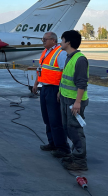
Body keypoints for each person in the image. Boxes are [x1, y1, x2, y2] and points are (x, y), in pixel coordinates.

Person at [32, 32, 70, 157]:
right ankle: (52, 142)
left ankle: (62, 148)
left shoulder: (61, 53)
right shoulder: (46, 52)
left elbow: (65, 73)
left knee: (55, 119)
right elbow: (41, 69)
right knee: (47, 118)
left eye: (45, 39)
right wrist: (36, 84)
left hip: (54, 89)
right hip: (45, 88)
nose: (43, 41)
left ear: (53, 40)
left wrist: (60, 91)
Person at [58, 30, 89, 171]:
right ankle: (75, 154)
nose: (60, 42)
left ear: (68, 42)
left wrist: (77, 102)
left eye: (62, 40)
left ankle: (80, 160)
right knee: (68, 128)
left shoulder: (80, 59)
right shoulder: (69, 57)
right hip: (66, 98)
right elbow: (65, 77)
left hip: (74, 101)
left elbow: (82, 83)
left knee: (75, 129)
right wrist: (60, 92)